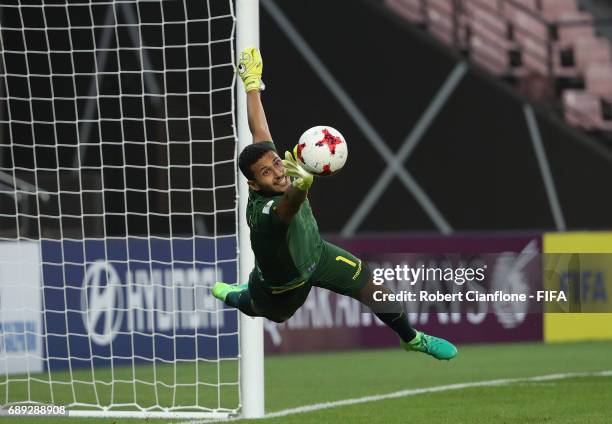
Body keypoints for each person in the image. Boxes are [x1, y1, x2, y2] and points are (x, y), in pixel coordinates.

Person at [212, 47, 457, 361]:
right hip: (283, 288)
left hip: (319, 254)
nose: (276, 171)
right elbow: (288, 207)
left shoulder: (277, 167)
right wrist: (301, 185)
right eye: (266, 172)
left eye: (275, 163)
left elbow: (259, 129)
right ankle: (238, 294)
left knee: (374, 287)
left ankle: (412, 339)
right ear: (253, 184)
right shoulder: (262, 214)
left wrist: (251, 84)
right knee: (260, 309)